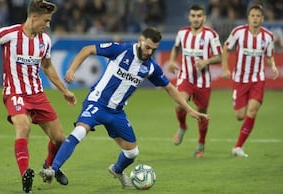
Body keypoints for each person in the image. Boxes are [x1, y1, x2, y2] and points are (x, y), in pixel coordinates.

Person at [39, 27, 209, 187]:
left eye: (153, 49)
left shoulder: (150, 67)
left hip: (116, 112)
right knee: (80, 131)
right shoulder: (121, 50)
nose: (149, 52)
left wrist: (189, 109)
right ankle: (52, 169)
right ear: (140, 40)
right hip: (97, 102)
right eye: (148, 47)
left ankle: (117, 170)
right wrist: (71, 70)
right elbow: (87, 49)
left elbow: (170, 88)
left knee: (132, 153)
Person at [0, 0, 77, 193]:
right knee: (23, 126)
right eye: (46, 21)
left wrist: (64, 91)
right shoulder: (10, 33)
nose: (48, 25)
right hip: (14, 93)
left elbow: (47, 67)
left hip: (37, 94)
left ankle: (48, 167)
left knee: (60, 140)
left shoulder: (44, 41)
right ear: (34, 17)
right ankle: (25, 175)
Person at [222, 4, 279, 157]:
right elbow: (226, 48)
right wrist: (225, 68)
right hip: (240, 79)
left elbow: (269, 56)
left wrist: (273, 66)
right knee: (240, 116)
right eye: (252, 15)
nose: (255, 18)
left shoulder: (268, 36)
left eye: (258, 16)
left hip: (257, 79)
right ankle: (239, 102)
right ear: (248, 18)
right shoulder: (238, 32)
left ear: (262, 18)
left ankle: (238, 147)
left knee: (252, 111)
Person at [168, 4, 222, 158]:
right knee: (179, 104)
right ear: (189, 17)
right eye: (193, 15)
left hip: (203, 82)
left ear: (204, 17)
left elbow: (219, 56)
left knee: (202, 113)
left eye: (199, 16)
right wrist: (172, 61)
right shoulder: (182, 33)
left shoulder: (211, 35)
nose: (196, 18)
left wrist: (206, 61)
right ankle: (183, 126)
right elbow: (176, 47)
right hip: (186, 77)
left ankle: (201, 144)